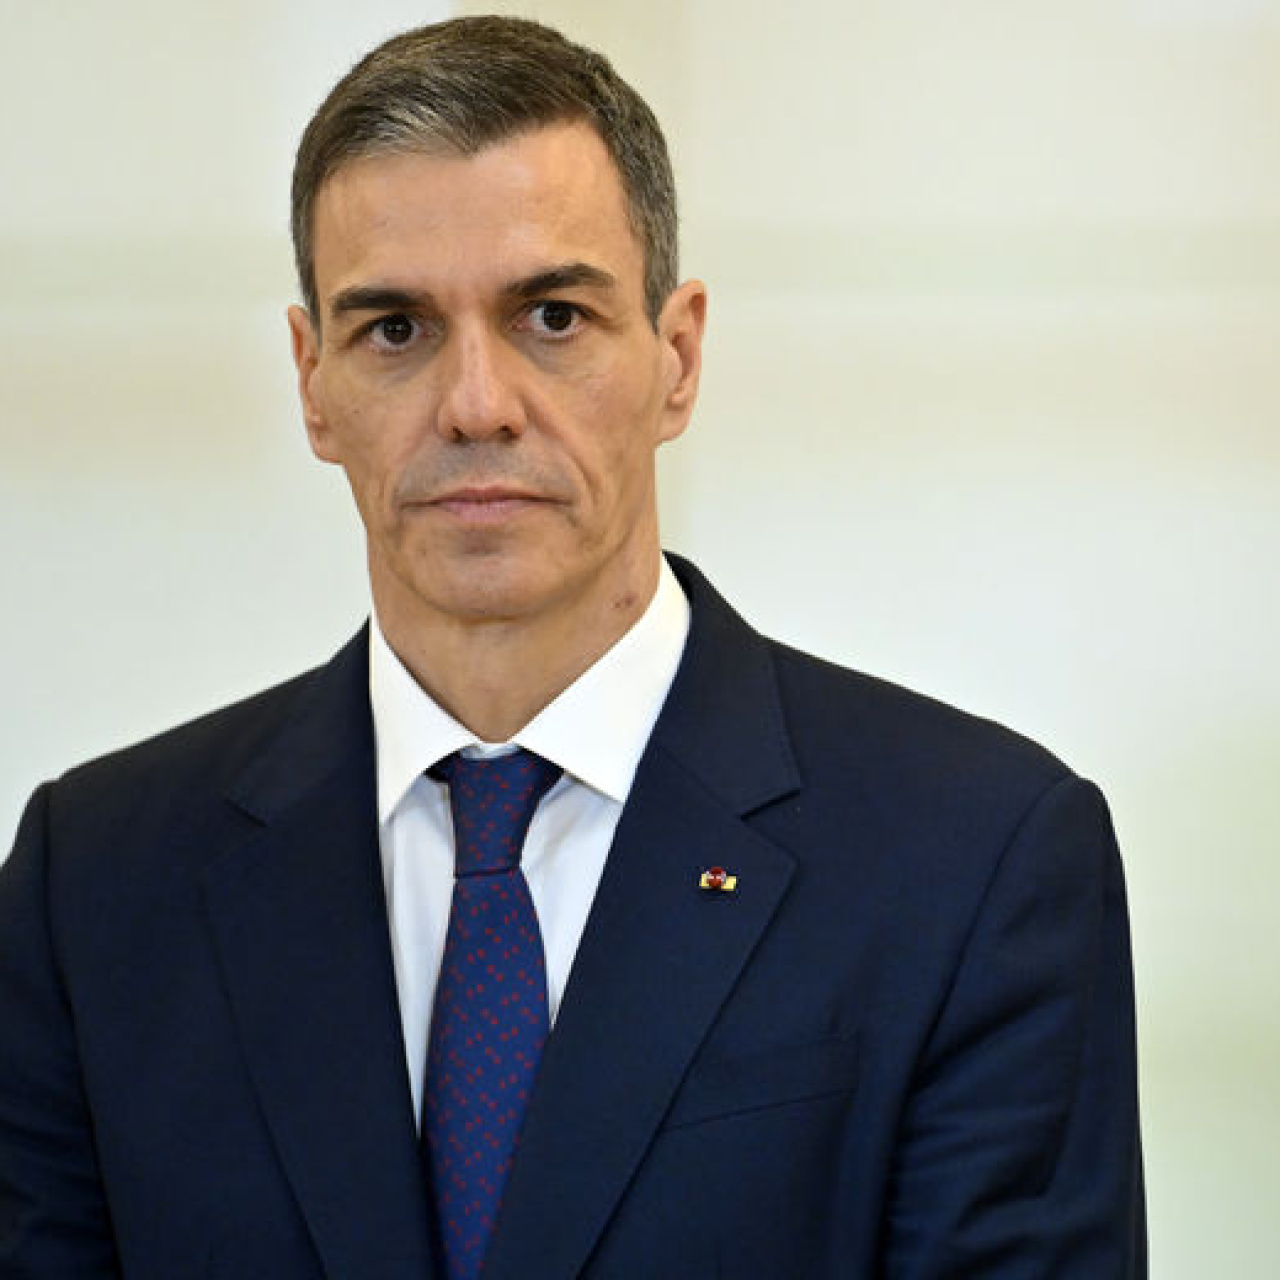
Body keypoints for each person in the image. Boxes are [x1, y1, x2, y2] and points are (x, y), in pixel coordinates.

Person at [0, 15, 1145, 1279]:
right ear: (311, 379)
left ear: (677, 357)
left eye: (551, 314)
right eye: (395, 329)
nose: (476, 404)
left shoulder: (971, 858)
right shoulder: (92, 883)